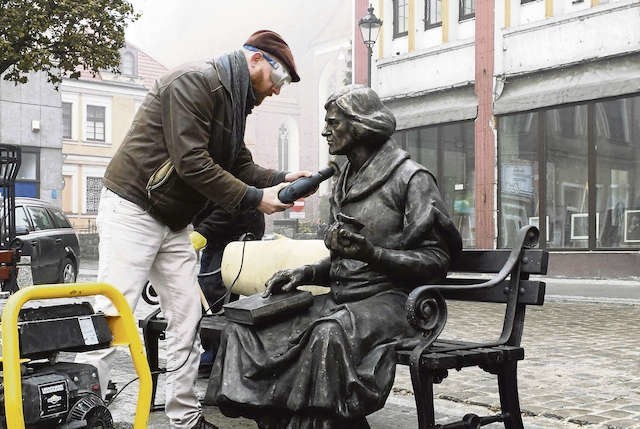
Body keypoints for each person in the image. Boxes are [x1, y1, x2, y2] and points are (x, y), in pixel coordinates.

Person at [76, 30, 309, 429]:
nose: (276, 91)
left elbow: (240, 165)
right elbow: (192, 163)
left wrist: (284, 177)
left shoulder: (234, 103)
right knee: (114, 313)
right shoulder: (195, 81)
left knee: (186, 318)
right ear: (255, 61)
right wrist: (256, 198)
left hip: (173, 220)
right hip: (133, 207)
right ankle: (78, 411)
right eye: (279, 80)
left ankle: (184, 417)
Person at [205, 85, 462, 428]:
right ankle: (275, 420)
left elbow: (436, 262)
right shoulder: (344, 181)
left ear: (360, 125)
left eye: (334, 122)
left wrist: (374, 254)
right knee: (249, 327)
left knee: (327, 333)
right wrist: (306, 273)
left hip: (394, 306)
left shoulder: (411, 179)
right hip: (342, 301)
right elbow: (346, 262)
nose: (326, 130)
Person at [190, 203, 265, 372]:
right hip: (217, 235)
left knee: (214, 292)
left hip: (235, 234)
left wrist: (202, 232)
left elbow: (232, 205)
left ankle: (218, 354)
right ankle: (214, 351)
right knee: (206, 291)